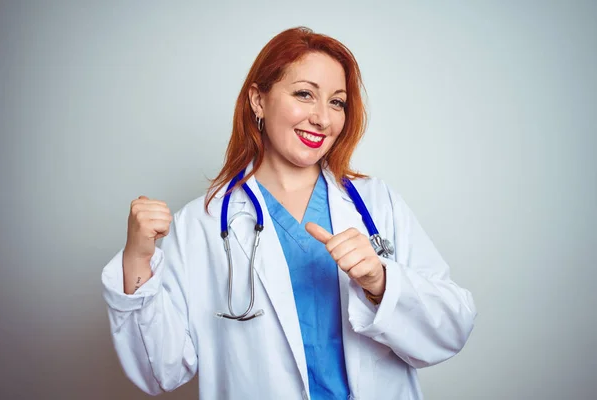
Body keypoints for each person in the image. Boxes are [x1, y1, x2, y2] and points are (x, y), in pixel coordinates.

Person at [101, 26, 476, 400]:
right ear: (258, 100)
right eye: (304, 94)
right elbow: (160, 371)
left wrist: (380, 282)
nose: (322, 119)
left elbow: (451, 329)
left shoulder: (376, 204)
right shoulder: (203, 223)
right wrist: (138, 258)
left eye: (337, 102)